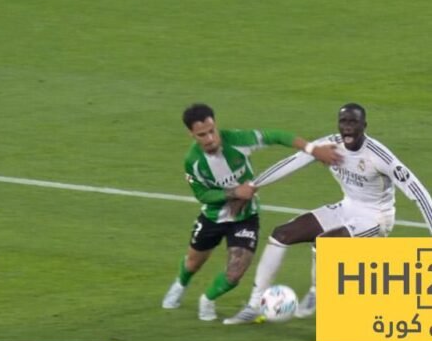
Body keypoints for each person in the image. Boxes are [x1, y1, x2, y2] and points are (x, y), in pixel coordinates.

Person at [224, 103, 432, 325]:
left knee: (325, 244)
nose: (348, 127)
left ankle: (318, 292)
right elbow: (293, 162)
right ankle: (254, 305)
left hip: (376, 218)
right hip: (347, 207)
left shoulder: (379, 156)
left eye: (353, 122)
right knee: (280, 234)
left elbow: (419, 193)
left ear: (364, 125)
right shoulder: (330, 146)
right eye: (344, 122)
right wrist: (254, 185)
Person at [161, 103, 340, 321]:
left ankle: (207, 299)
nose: (210, 139)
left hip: (245, 217)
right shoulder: (193, 161)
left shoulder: (237, 140)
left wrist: (313, 149)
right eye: (202, 135)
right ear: (191, 134)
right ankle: (180, 285)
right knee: (193, 262)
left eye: (212, 131)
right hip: (212, 217)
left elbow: (276, 136)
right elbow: (202, 195)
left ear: (215, 125)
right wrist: (234, 192)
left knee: (235, 272)